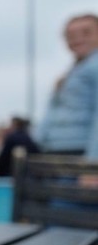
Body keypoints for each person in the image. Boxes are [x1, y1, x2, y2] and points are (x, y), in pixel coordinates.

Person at [37, 13, 98, 160]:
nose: (78, 39)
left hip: (80, 151)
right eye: (70, 35)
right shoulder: (73, 71)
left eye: (86, 33)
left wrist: (93, 163)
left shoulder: (94, 67)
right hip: (57, 149)